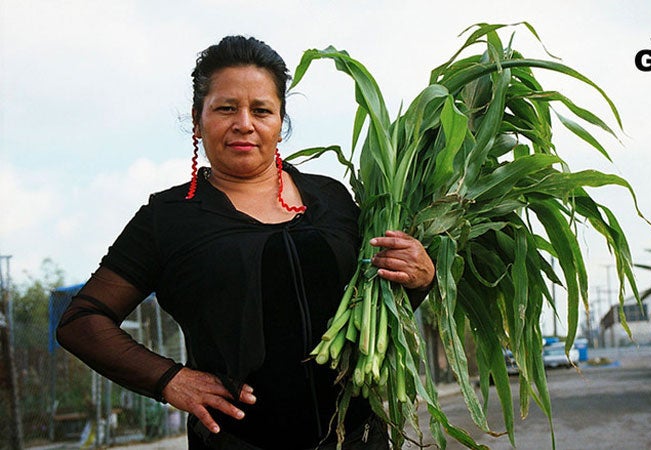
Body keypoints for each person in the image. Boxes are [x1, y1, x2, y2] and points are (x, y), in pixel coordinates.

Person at [56, 35, 435, 449]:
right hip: (239, 441)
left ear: (280, 122)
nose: (244, 123)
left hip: (359, 438)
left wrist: (420, 277)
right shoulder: (168, 218)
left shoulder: (332, 198)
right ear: (198, 121)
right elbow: (82, 321)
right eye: (225, 108)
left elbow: (370, 305)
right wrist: (170, 380)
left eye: (261, 110)